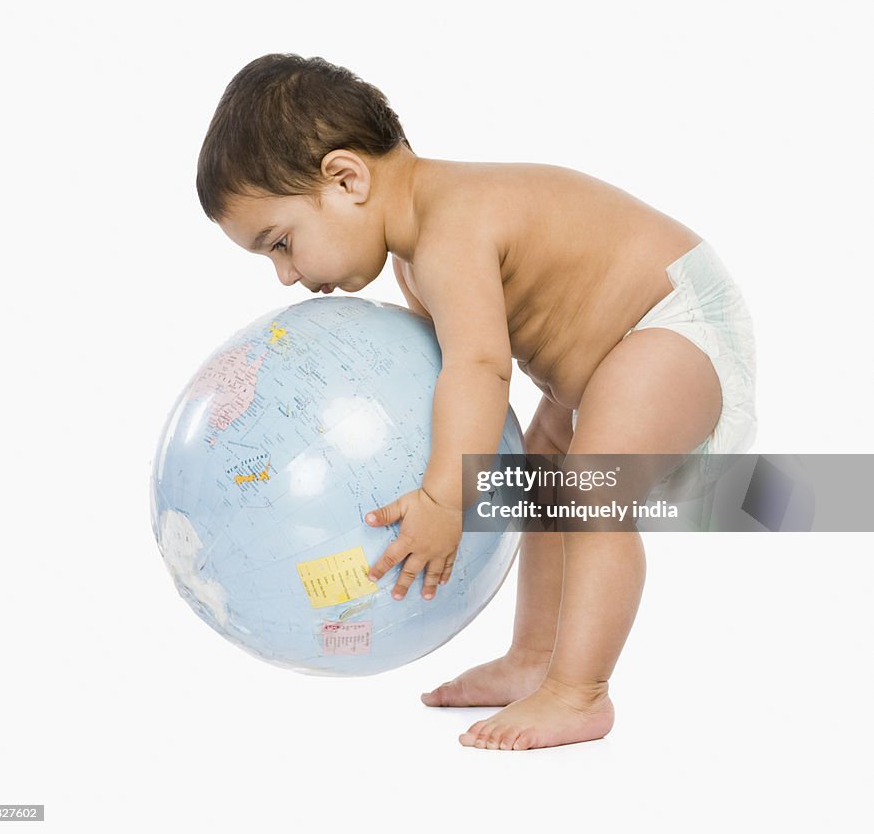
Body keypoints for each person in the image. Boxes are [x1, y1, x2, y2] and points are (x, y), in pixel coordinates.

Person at [196, 53, 757, 750]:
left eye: (281, 243)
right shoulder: (414, 253)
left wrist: (442, 501)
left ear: (346, 178)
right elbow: (457, 381)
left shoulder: (449, 227)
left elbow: (480, 368)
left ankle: (578, 693)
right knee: (542, 488)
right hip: (606, 359)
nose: (285, 275)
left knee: (587, 496)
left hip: (671, 323)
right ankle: (532, 660)